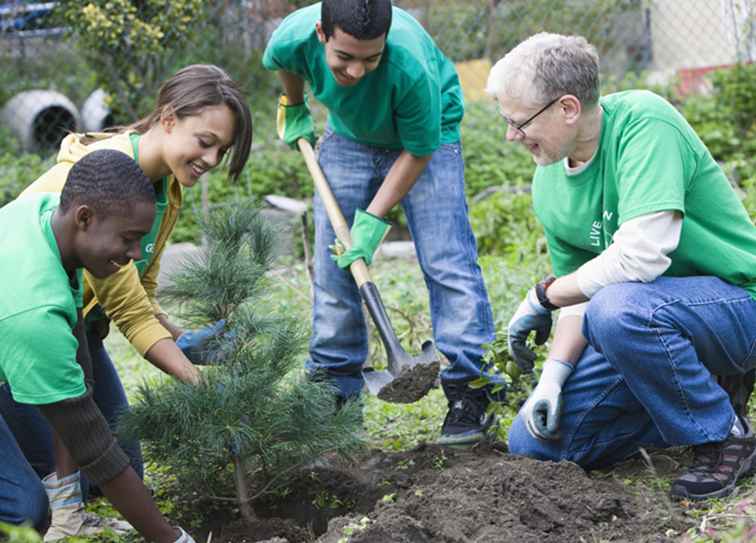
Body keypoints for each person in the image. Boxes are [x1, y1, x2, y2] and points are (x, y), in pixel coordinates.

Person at [487, 33, 756, 500]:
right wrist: (553, 375)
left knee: (616, 308)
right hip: (650, 325)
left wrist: (542, 296)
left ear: (567, 108)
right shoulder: (549, 181)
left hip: (738, 304)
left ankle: (725, 438)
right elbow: (579, 296)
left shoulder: (644, 124)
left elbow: (640, 256)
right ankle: (698, 388)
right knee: (534, 442)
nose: (511, 135)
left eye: (518, 122)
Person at [0, 63, 252, 537]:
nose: (213, 159)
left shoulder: (163, 189)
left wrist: (179, 337)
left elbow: (137, 296)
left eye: (223, 150)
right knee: (27, 507)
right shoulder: (88, 194)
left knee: (119, 465)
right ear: (170, 117)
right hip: (26, 334)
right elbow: (124, 315)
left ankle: (48, 476)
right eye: (206, 141)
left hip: (62, 334)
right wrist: (199, 384)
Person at [263, 0, 504, 445]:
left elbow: (418, 149)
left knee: (446, 258)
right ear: (321, 34)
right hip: (349, 136)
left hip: (427, 138)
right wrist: (293, 103)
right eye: (344, 58)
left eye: (370, 59)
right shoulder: (292, 36)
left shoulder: (410, 66)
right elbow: (285, 62)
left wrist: (373, 220)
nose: (356, 72)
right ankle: (336, 394)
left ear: (386, 44)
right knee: (334, 263)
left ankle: (470, 393)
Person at [0, 149, 197, 542]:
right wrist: (171, 538)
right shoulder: (34, 309)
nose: (136, 255)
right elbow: (90, 442)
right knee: (24, 512)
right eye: (129, 238)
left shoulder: (44, 220)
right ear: (85, 217)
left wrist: (67, 498)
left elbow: (78, 361)